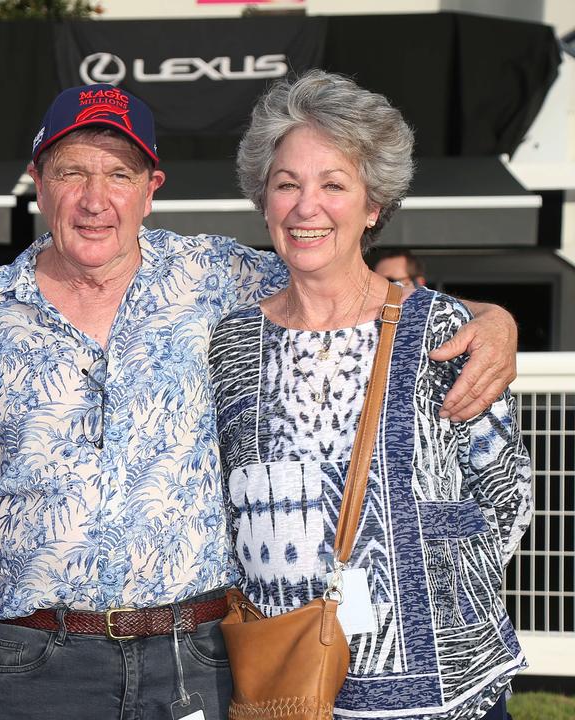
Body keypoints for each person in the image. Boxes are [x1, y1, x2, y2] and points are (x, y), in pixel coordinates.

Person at [0, 83, 520, 719]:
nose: (94, 198)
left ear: (151, 188)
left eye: (119, 175)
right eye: (72, 171)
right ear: (39, 181)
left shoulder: (218, 276)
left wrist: (491, 317)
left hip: (195, 654)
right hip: (42, 660)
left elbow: (342, 279)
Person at [211, 71, 530, 719]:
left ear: (373, 205)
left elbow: (507, 491)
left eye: (334, 185)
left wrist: (436, 593)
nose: (307, 207)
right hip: (292, 684)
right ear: (264, 201)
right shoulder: (232, 344)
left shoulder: (442, 330)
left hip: (444, 691)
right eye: (287, 185)